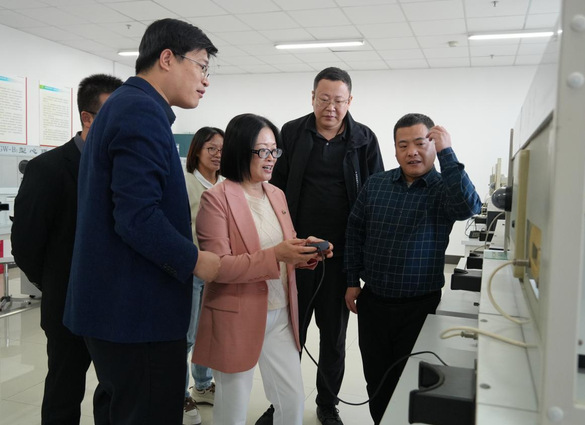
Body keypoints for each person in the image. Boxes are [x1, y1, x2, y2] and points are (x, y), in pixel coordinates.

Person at [62, 19, 221, 425]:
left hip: (116, 313)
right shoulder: (141, 111)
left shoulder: (124, 106)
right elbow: (137, 217)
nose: (206, 80)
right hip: (137, 315)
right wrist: (195, 260)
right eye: (201, 66)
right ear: (167, 58)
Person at [192, 113, 333, 425]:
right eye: (263, 151)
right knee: (233, 409)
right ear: (240, 151)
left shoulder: (275, 193)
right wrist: (277, 255)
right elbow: (218, 268)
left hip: (280, 311)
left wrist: (305, 250)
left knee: (292, 400)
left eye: (274, 150)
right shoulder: (216, 200)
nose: (271, 158)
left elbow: (282, 247)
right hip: (237, 314)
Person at [343, 113, 482, 424]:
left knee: (413, 382)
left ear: (433, 146)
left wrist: (448, 154)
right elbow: (355, 231)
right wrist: (352, 280)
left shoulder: (444, 188)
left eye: (421, 143)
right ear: (395, 150)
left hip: (420, 307)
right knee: (377, 380)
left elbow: (469, 207)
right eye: (403, 145)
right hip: (373, 304)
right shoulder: (376, 184)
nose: (412, 152)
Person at [266, 66, 384, 425]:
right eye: (323, 99)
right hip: (297, 253)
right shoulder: (291, 133)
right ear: (313, 98)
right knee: (290, 335)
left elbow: (375, 195)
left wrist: (361, 264)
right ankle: (281, 403)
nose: (330, 107)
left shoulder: (364, 139)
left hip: (342, 257)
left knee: (333, 339)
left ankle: (327, 404)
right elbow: (275, 189)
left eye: (338, 100)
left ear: (350, 101)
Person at [11, 74, 122, 425]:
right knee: (64, 389)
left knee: (115, 391)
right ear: (87, 118)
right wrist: (56, 284)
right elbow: (26, 244)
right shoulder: (48, 169)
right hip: (66, 305)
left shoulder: (121, 167)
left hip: (115, 304)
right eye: (111, 115)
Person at [183, 126, 225, 424]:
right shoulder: (185, 183)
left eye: (222, 149)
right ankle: (180, 395)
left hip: (220, 272)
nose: (218, 154)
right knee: (187, 336)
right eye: (211, 148)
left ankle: (202, 385)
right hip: (192, 270)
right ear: (197, 150)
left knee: (209, 335)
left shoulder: (226, 185)